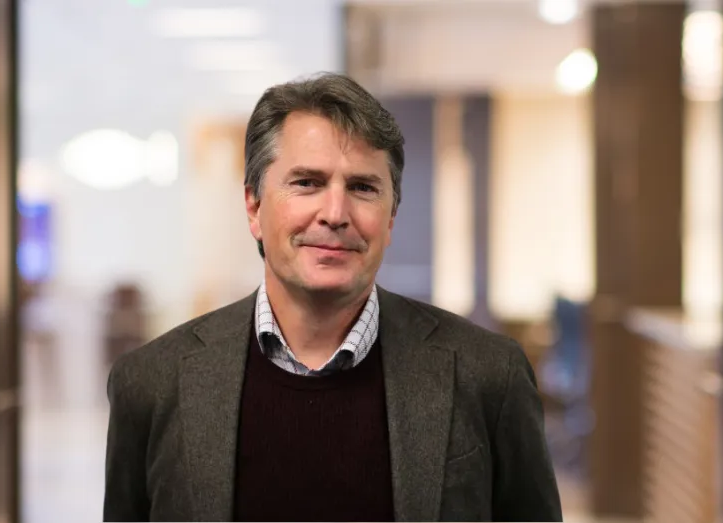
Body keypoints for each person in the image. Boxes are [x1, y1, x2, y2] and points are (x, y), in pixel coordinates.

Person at [102, 72, 562, 522]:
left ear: (391, 218)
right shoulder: (151, 384)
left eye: (363, 188)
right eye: (307, 183)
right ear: (254, 207)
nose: (336, 214)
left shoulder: (489, 376)